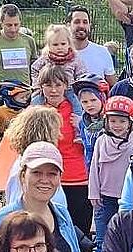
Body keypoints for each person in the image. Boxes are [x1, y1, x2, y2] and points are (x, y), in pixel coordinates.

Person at [89, 96, 133, 252]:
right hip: (105, 198)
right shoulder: (101, 142)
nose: (117, 125)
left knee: (125, 236)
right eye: (113, 121)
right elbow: (94, 169)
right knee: (102, 237)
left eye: (122, 121)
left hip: (127, 200)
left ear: (130, 122)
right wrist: (93, 193)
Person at [34, 65, 91, 234]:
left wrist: (82, 127)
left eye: (58, 85)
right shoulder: (36, 112)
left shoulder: (79, 109)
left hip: (79, 177)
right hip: (49, 178)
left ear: (66, 86)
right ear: (41, 87)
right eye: (48, 85)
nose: (53, 90)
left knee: (81, 232)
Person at [30, 25, 86, 139]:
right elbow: (34, 69)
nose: (59, 47)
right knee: (36, 101)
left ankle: (78, 131)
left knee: (77, 105)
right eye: (55, 45)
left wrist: (79, 86)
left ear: (69, 44)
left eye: (63, 44)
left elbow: (82, 73)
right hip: (48, 87)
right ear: (49, 45)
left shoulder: (74, 58)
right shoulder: (46, 58)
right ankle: (33, 127)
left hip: (69, 89)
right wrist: (37, 85)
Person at [68, 5, 116, 85]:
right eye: (77, 22)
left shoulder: (102, 52)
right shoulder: (59, 53)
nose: (81, 26)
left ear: (89, 26)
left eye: (85, 22)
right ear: (68, 25)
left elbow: (113, 86)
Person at [0, 80, 31, 162]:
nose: (25, 100)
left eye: (26, 97)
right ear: (10, 98)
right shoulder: (0, 111)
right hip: (4, 139)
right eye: (22, 98)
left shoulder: (27, 111)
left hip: (21, 140)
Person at [73, 73, 110, 169]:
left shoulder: (111, 122)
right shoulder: (83, 122)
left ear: (103, 98)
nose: (89, 105)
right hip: (90, 169)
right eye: (85, 102)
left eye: (93, 100)